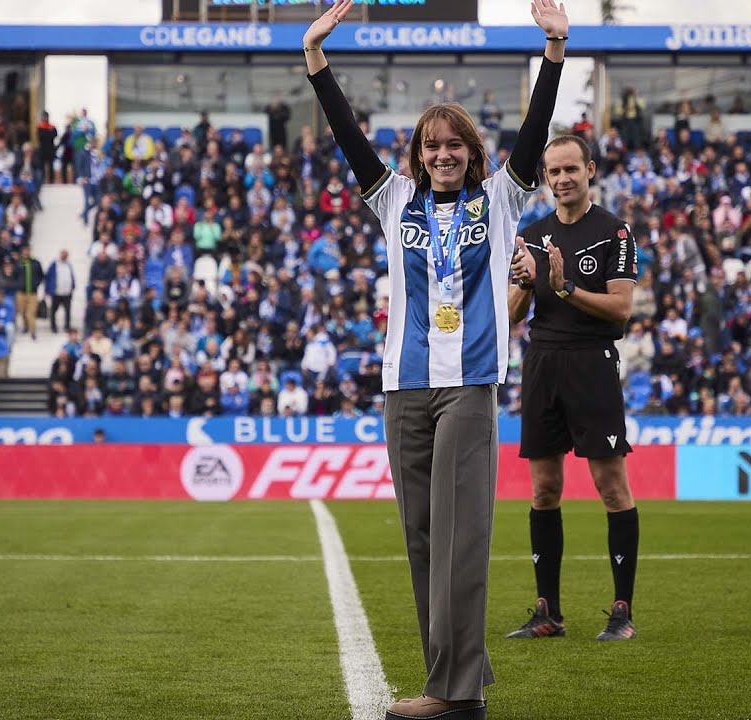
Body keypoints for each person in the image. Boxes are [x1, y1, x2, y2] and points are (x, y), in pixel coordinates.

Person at [304, 1, 566, 718]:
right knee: (423, 540)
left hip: (469, 387)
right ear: (417, 155)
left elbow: (537, 128)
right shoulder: (393, 202)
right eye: (431, 147)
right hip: (404, 389)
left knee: (461, 540)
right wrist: (315, 59)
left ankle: (455, 695)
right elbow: (349, 137)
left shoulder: (503, 198)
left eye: (454, 145)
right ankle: (449, 687)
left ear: (470, 152)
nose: (443, 155)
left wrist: (554, 48)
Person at [506, 133, 639, 643]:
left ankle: (621, 610)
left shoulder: (614, 231)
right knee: (544, 489)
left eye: (570, 170)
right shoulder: (532, 234)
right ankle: (547, 612)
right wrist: (524, 280)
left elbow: (621, 309)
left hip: (592, 364)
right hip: (541, 363)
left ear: (590, 172)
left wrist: (564, 287)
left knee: (611, 488)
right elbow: (514, 315)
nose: (561, 179)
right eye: (553, 172)